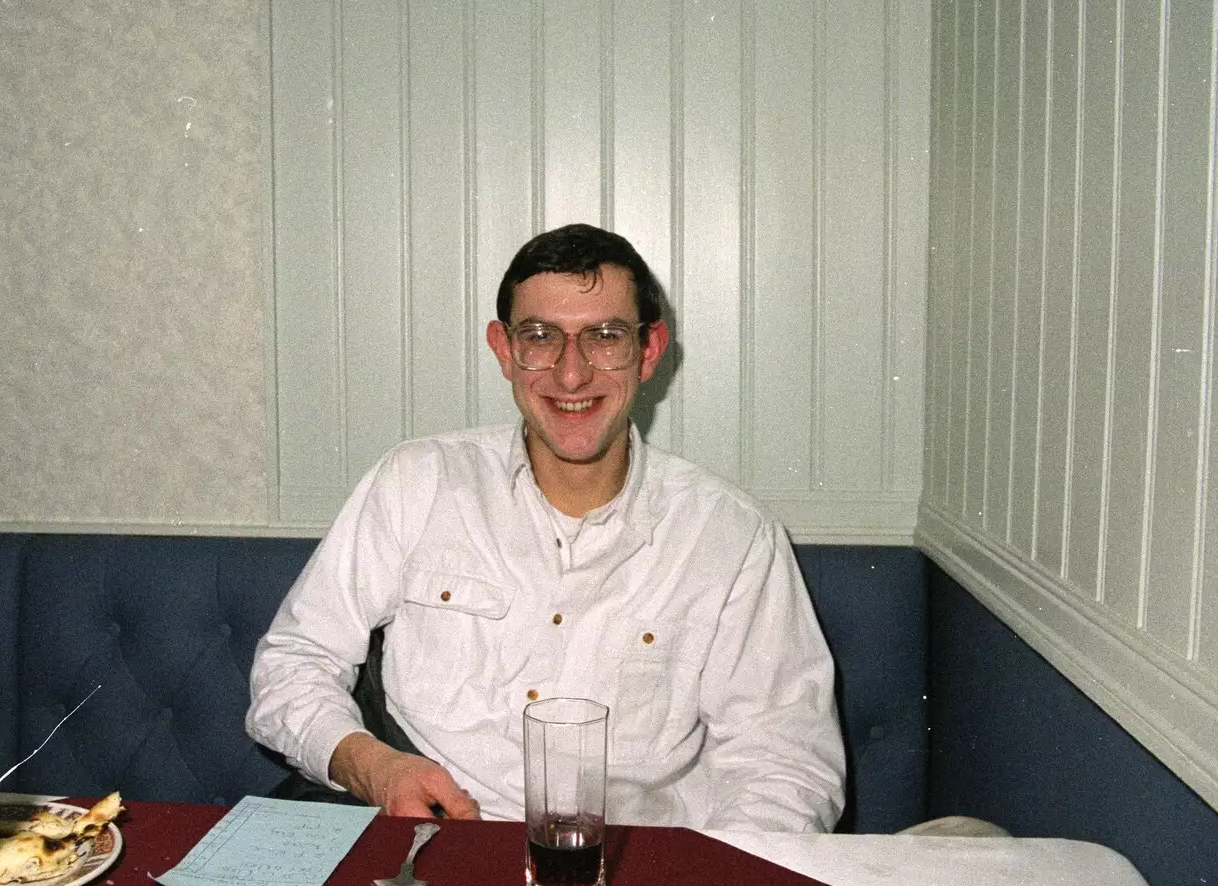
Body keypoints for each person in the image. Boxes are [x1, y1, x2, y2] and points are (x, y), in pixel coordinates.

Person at [246, 223, 846, 832]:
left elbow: (785, 766)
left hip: (627, 872)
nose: (570, 375)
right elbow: (293, 661)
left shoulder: (732, 537)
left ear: (649, 350)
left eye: (605, 337)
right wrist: (374, 767)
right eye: (540, 337)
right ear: (504, 350)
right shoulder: (416, 481)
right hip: (432, 853)